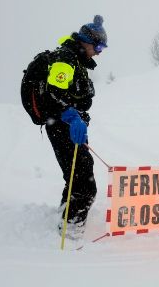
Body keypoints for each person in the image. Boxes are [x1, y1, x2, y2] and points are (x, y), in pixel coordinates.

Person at [42, 15, 107, 239]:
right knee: (84, 183)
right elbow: (53, 94)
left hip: (70, 127)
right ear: (85, 41)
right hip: (61, 126)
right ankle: (70, 231)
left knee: (78, 176)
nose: (99, 51)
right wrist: (71, 116)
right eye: (98, 46)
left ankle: (66, 214)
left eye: (102, 47)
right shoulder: (65, 58)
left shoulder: (77, 61)